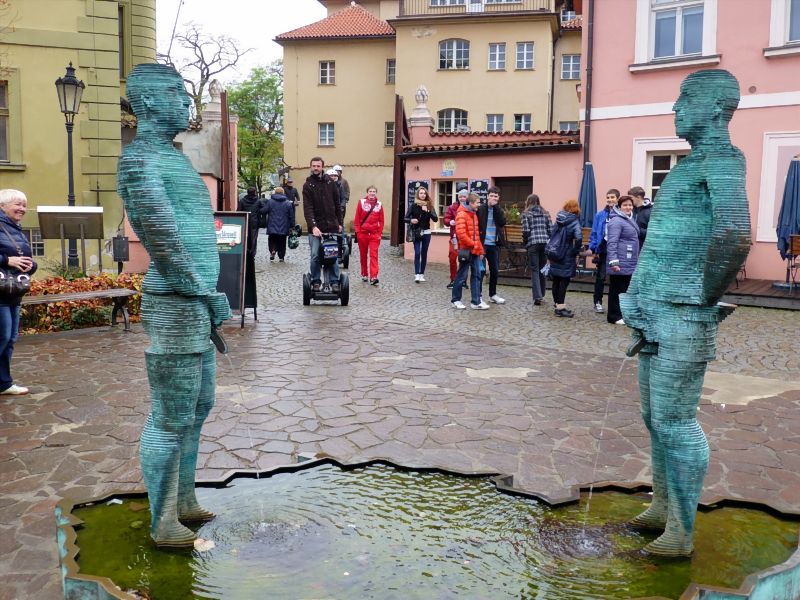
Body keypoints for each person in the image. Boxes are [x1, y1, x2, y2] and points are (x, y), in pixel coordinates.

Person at [620, 69, 751, 556]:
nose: (675, 108)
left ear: (716, 109)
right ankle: (662, 508)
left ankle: (681, 534)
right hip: (655, 309)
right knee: (654, 417)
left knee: (676, 421)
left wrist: (702, 297)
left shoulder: (722, 159)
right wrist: (638, 297)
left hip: (682, 312)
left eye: (685, 98)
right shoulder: (686, 165)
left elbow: (735, 234)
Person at [117, 63, 232, 547]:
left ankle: (184, 499)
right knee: (170, 413)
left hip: (194, 302)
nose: (184, 104)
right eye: (172, 95)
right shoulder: (139, 161)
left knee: (199, 404)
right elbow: (163, 239)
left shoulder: (172, 156)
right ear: (144, 103)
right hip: (175, 300)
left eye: (184, 96)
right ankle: (163, 520)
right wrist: (206, 293)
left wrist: (206, 295)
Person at [0, 189, 36, 396]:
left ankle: (4, 383)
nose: (22, 208)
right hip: (1, 293)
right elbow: (9, 258)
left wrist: (31, 265)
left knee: (10, 339)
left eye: (24, 204)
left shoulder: (15, 228)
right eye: (17, 204)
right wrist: (7, 260)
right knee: (2, 337)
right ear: (2, 206)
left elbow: (21, 257)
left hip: (13, 291)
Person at [303, 157, 343, 292]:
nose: (316, 168)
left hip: (331, 226)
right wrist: (313, 226)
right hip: (316, 228)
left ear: (322, 167)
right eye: (313, 166)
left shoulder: (330, 183)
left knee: (332, 254)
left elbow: (337, 204)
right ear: (311, 167)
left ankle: (334, 281)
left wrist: (340, 223)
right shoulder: (308, 185)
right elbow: (307, 208)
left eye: (318, 166)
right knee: (315, 255)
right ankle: (315, 280)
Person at [605, 195, 640, 325]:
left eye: (630, 205)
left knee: (625, 289)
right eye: (625, 205)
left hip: (629, 260)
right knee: (617, 290)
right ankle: (614, 316)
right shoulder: (616, 221)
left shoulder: (629, 219)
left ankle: (622, 314)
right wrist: (614, 261)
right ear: (619, 206)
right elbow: (612, 242)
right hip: (620, 261)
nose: (628, 207)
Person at [451, 192, 487, 310]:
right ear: (471, 203)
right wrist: (474, 245)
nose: (479, 205)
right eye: (477, 203)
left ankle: (476, 302)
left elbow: (476, 235)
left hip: (475, 250)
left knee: (476, 275)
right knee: (462, 276)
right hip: (466, 251)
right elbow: (462, 235)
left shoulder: (473, 214)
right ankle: (456, 300)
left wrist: (480, 250)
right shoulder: (461, 214)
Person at [548, 199, 583, 318]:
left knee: (556, 280)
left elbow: (552, 233)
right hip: (567, 254)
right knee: (564, 281)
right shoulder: (574, 221)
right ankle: (560, 309)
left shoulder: (558, 218)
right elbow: (578, 238)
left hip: (555, 252)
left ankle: (557, 305)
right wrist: (575, 251)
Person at [588, 188, 619, 313]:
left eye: (612, 197)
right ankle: (598, 302)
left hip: (617, 250)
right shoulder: (600, 214)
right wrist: (593, 247)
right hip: (603, 249)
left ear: (617, 199)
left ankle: (615, 304)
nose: (610, 199)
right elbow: (594, 232)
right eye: (608, 197)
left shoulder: (620, 214)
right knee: (601, 277)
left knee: (616, 278)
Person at [477, 186, 507, 304]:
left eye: (496, 196)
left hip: (493, 244)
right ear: (487, 196)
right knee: (481, 270)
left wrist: (495, 208)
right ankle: (478, 295)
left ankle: (492, 294)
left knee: (494, 270)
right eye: (491, 196)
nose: (493, 198)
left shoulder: (498, 210)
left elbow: (502, 222)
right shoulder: (481, 208)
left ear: (498, 198)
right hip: (482, 244)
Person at [521, 194, 551, 307]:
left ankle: (537, 296)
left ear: (528, 202)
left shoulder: (526, 214)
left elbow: (525, 231)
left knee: (534, 270)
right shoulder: (546, 213)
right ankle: (542, 294)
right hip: (545, 243)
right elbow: (551, 229)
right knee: (542, 269)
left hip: (533, 243)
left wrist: (526, 243)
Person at [405, 186, 438, 282]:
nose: (423, 195)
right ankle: (416, 274)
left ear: (426, 195)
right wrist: (411, 220)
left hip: (426, 233)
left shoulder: (429, 205)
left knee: (424, 253)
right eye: (421, 193)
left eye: (424, 193)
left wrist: (427, 211)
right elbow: (405, 218)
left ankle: (422, 274)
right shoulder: (413, 205)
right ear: (418, 195)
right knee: (417, 253)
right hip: (416, 232)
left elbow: (435, 219)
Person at [354, 185, 385, 285]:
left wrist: (379, 233)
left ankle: (373, 276)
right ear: (367, 193)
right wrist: (358, 232)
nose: (372, 193)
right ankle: (364, 273)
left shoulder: (379, 204)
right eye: (370, 191)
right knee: (363, 255)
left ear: (376, 193)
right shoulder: (361, 202)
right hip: (362, 234)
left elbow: (382, 220)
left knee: (373, 255)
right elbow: (357, 219)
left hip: (374, 235)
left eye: (374, 191)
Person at [261, 186, 296, 262]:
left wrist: (260, 207)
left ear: (275, 193)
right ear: (283, 193)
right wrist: (292, 226)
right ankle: (281, 256)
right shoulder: (288, 203)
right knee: (282, 241)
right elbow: (291, 216)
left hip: (272, 225)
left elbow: (264, 211)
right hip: (284, 226)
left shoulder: (270, 201)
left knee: (272, 239)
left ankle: (273, 251)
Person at [444, 190, 464, 288]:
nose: (462, 198)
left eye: (464, 196)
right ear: (458, 197)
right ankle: (453, 279)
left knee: (464, 259)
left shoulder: (470, 207)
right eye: (460, 197)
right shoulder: (452, 207)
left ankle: (463, 280)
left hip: (465, 238)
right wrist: (450, 221)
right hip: (454, 238)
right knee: (452, 258)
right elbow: (446, 219)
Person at [237, 186, 263, 257]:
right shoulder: (258, 201)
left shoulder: (242, 201)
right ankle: (252, 253)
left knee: (245, 237)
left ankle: (246, 251)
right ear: (254, 192)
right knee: (253, 238)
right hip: (254, 222)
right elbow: (263, 210)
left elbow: (238, 211)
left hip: (244, 221)